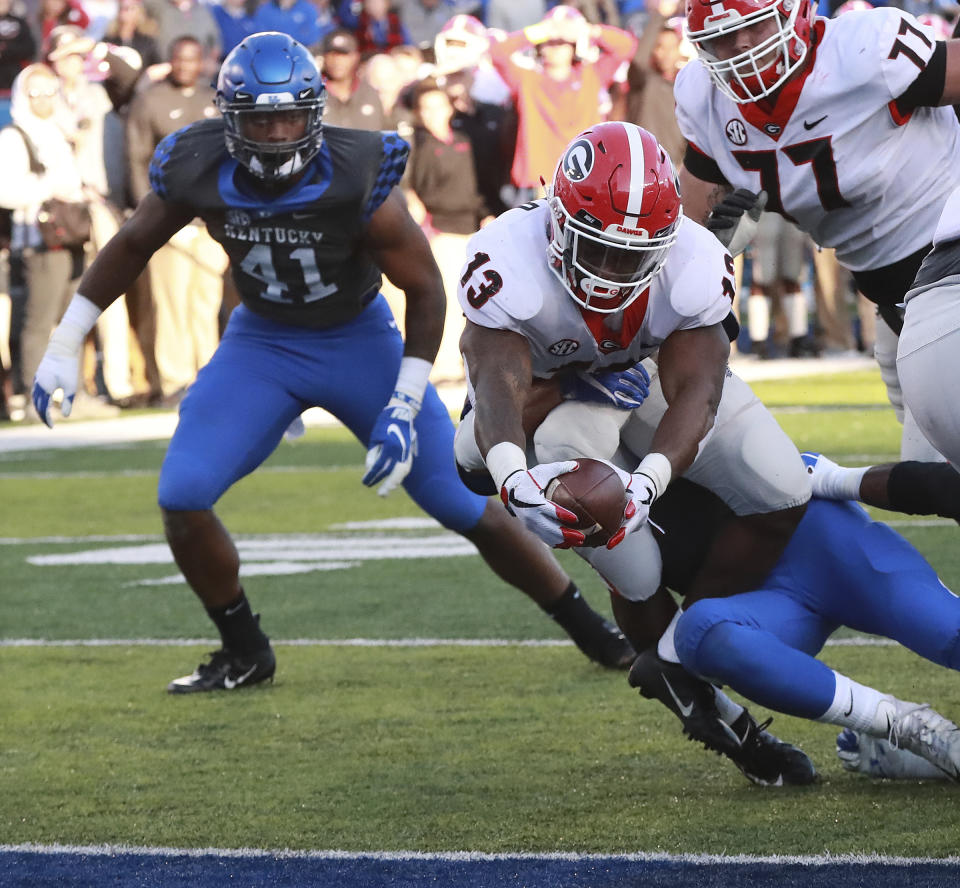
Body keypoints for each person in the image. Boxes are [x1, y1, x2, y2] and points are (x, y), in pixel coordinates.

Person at [31, 32, 635, 692]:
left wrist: (406, 397)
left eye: (290, 116)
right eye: (260, 119)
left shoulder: (354, 172)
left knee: (466, 504)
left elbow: (427, 289)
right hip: (261, 343)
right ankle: (244, 648)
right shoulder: (198, 165)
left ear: (317, 113)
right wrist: (66, 340)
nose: (277, 134)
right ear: (229, 119)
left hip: (358, 342)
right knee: (181, 495)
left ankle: (590, 629)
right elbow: (132, 244)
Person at [455, 120, 816, 784]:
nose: (613, 270)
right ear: (556, 220)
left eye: (634, 254)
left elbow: (697, 392)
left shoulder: (694, 260)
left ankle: (677, 662)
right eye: (599, 248)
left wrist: (649, 481)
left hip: (643, 372)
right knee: (616, 550)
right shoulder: (508, 257)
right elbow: (499, 384)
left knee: (781, 487)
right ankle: (712, 706)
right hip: (559, 399)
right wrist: (513, 477)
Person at [675, 0, 960, 461]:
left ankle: (828, 480)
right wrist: (713, 246)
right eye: (722, 36)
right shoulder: (702, 97)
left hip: (950, 270)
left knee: (934, 476)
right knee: (934, 477)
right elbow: (684, 235)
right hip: (892, 305)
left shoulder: (865, 51)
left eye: (754, 25)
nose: (742, 46)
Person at [631, 466, 960, 782]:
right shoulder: (587, 467)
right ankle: (905, 726)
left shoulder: (655, 416)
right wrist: (732, 723)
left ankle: (906, 751)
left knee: (949, 633)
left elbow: (754, 445)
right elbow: (637, 602)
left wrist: (836, 477)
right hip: (767, 600)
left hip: (823, 542)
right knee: (702, 632)